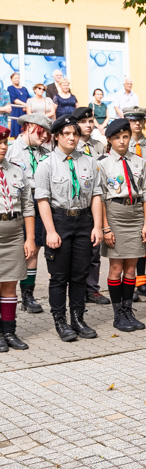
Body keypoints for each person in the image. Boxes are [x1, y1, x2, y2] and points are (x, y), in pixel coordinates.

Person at [34, 115, 104, 341]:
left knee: (80, 274)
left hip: (84, 221)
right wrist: (51, 231)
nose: (72, 137)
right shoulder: (46, 165)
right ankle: (60, 321)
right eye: (67, 134)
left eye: (75, 133)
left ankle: (78, 318)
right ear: (56, 137)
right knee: (59, 276)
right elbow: (43, 200)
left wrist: (98, 226)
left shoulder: (89, 162)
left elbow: (96, 195)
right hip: (59, 221)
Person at [97, 119, 146, 332]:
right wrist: (106, 227)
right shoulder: (102, 163)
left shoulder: (139, 161)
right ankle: (117, 312)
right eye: (117, 137)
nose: (122, 141)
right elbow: (100, 197)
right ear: (109, 140)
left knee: (131, 269)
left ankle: (128, 310)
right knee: (116, 267)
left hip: (136, 214)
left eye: (125, 136)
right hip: (115, 214)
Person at [8, 114, 51, 314]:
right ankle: (9, 294)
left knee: (34, 248)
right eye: (43, 133)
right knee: (17, 250)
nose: (45, 138)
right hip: (18, 204)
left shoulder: (44, 152)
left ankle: (28, 295)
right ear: (32, 128)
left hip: (40, 201)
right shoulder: (11, 151)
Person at [0, 125, 36, 351]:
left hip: (14, 233)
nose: (3, 147)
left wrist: (30, 238)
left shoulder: (16, 170)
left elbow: (28, 207)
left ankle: (9, 332)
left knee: (10, 285)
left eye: (5, 143)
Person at [72, 107, 109, 306]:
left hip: (95, 203)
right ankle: (77, 289)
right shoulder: (70, 145)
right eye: (83, 122)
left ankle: (92, 289)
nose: (88, 125)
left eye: (90, 121)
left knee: (94, 250)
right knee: (77, 252)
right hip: (76, 204)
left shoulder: (99, 146)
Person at [124, 106, 146, 301]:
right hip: (129, 200)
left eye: (140, 120)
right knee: (130, 243)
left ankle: (142, 282)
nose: (137, 124)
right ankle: (128, 282)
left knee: (145, 242)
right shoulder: (122, 144)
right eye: (132, 120)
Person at [8, 73, 31, 138]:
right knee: (17, 129)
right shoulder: (10, 88)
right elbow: (14, 99)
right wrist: (24, 105)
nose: (17, 79)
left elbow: (28, 98)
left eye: (18, 78)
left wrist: (27, 106)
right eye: (15, 78)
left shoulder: (24, 88)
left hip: (25, 111)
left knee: (25, 129)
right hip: (17, 111)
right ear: (11, 79)